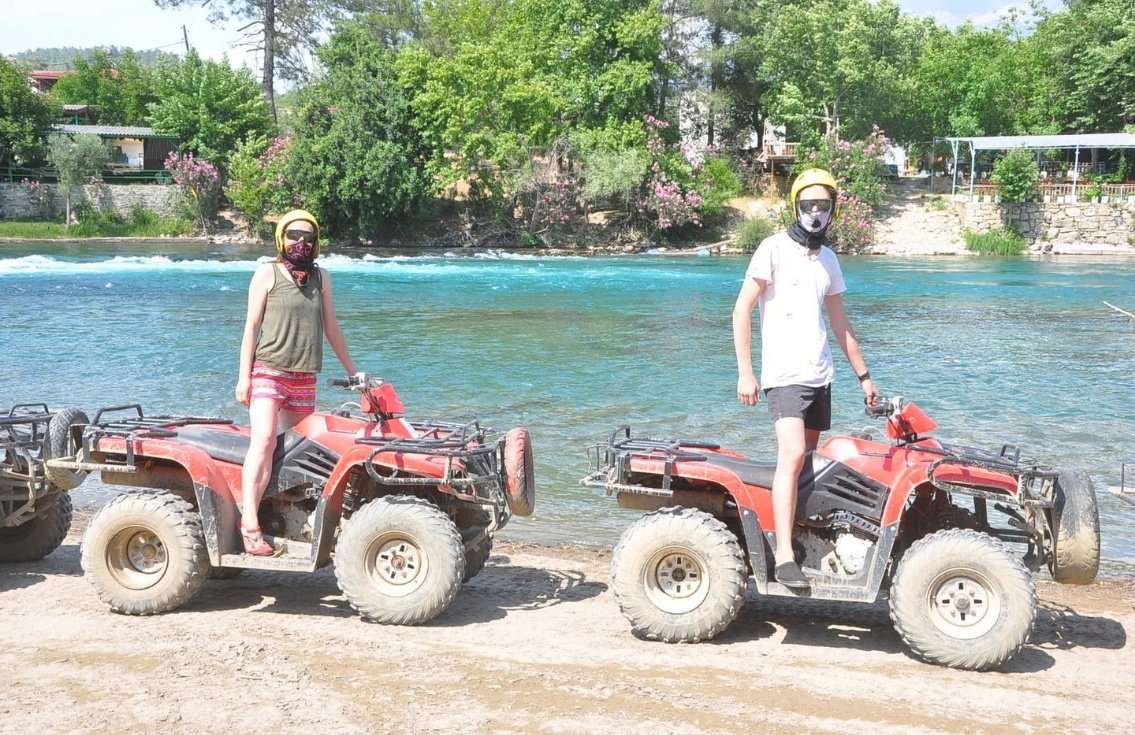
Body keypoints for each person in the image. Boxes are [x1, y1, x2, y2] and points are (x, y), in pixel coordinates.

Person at [732, 169, 877, 589]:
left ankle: (800, 533)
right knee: (792, 455)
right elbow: (741, 310)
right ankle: (783, 555)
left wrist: (865, 378)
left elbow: (841, 325)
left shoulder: (828, 260)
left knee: (810, 464)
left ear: (833, 209)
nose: (815, 213)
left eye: (823, 206)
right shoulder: (772, 249)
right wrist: (746, 371)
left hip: (820, 374)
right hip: (784, 374)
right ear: (796, 206)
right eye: (808, 205)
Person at [234, 209, 359, 555]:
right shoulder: (267, 273)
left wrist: (354, 374)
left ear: (316, 242)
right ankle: (249, 524)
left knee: (295, 450)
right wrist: (244, 377)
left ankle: (282, 516)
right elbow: (251, 327)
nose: (300, 242)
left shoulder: (323, 278)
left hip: (304, 378)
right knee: (262, 442)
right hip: (269, 372)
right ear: (281, 238)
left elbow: (332, 329)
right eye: (293, 235)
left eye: (308, 237)